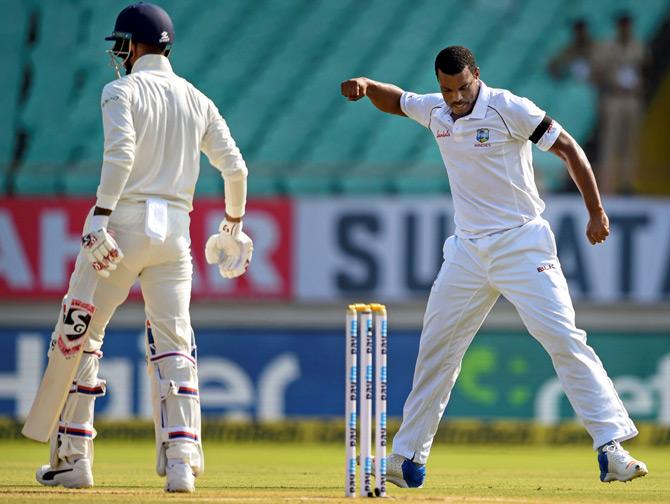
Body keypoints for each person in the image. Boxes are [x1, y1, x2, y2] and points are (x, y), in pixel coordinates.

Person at [341, 46, 647, 488]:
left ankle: (611, 447)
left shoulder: (509, 108)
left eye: (462, 88)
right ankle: (408, 460)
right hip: (466, 252)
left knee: (562, 336)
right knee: (437, 350)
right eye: (447, 90)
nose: (455, 99)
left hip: (522, 244)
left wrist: (596, 211)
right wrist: (368, 85)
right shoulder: (437, 110)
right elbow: (397, 99)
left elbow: (568, 149)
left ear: (476, 76)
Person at [34, 2, 253, 493]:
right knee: (175, 342)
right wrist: (233, 225)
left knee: (82, 330)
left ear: (133, 46)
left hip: (124, 223)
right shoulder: (197, 98)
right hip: (176, 233)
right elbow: (236, 170)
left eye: (121, 46)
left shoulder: (120, 90)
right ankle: (181, 463)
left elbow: (121, 155)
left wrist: (100, 215)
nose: (120, 54)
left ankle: (73, 458)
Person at [592, 12, 647, 194]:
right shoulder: (607, 47)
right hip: (614, 97)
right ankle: (607, 187)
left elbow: (643, 69)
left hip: (632, 98)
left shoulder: (637, 46)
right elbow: (597, 73)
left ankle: (627, 185)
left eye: (627, 24)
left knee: (629, 144)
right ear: (618, 26)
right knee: (610, 143)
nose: (624, 27)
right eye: (622, 24)